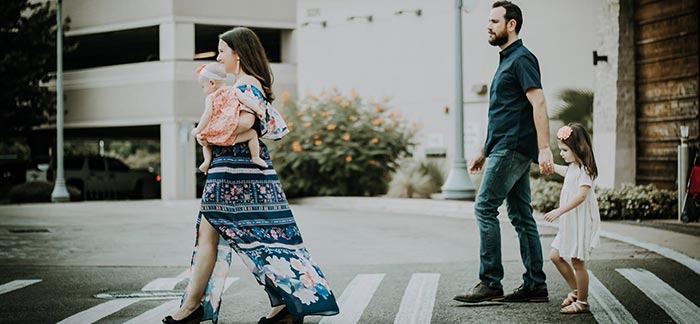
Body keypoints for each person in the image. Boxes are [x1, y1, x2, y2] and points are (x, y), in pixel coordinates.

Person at [163, 27, 339, 324]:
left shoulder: (244, 86)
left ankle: (193, 307)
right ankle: (286, 303)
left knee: (217, 235)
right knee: (266, 236)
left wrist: (209, 134)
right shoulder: (247, 85)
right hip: (243, 170)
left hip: (234, 171)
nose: (218, 57)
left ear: (238, 54)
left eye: (222, 51)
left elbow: (246, 125)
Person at [454, 1, 554, 304]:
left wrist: (545, 147)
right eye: (489, 20)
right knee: (522, 215)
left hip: (512, 148)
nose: (489, 25)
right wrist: (484, 149)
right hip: (505, 146)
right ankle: (536, 284)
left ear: (511, 25)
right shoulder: (506, 61)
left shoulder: (522, 59)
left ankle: (490, 282)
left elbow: (538, 103)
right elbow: (504, 113)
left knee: (484, 207)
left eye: (495, 21)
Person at [544, 123, 601, 314]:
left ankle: (583, 302)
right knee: (555, 256)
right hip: (570, 223)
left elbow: (581, 196)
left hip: (580, 223)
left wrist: (559, 211)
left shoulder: (585, 170)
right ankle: (577, 291)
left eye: (565, 150)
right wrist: (548, 166)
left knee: (578, 262)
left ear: (578, 148)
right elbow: (563, 171)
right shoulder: (573, 168)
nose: (561, 153)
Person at [191, 62, 268, 173]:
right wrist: (258, 110)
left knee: (205, 140)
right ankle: (255, 157)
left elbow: (207, 115)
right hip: (233, 127)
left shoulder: (211, 97)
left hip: (217, 129)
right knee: (252, 134)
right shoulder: (234, 90)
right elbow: (246, 100)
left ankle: (207, 161)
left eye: (203, 86)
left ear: (212, 83)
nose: (203, 90)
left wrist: (198, 129)